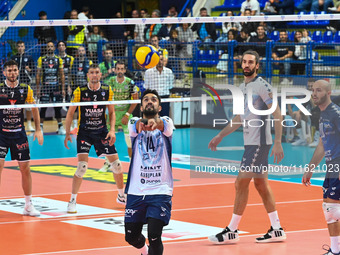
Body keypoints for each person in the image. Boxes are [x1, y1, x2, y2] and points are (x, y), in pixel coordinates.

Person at [208, 50, 286, 244]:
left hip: (259, 142)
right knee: (260, 184)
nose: (247, 65)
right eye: (244, 62)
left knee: (240, 183)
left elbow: (278, 113)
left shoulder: (261, 86)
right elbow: (238, 119)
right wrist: (219, 136)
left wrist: (277, 142)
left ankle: (232, 231)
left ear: (257, 65)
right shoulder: (243, 87)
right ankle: (277, 229)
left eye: (251, 62)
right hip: (252, 142)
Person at [64, 64, 126, 213]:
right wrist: (67, 133)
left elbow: (111, 113)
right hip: (84, 132)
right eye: (91, 72)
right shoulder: (80, 91)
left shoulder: (107, 90)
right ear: (87, 75)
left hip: (101, 132)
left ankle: (121, 196)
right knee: (82, 167)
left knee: (117, 165)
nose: (94, 75)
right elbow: (71, 112)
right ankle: (72, 200)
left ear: (100, 75)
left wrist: (112, 130)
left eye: (97, 72)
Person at [124, 89, 175, 255]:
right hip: (136, 190)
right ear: (141, 106)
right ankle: (145, 252)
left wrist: (156, 124)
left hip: (160, 189)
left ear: (160, 107)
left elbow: (164, 126)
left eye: (154, 99)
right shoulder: (134, 122)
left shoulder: (167, 121)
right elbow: (135, 127)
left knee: (154, 235)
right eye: (146, 100)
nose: (150, 102)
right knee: (131, 237)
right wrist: (143, 123)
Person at [0, 60, 43, 216]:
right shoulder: (0, 89)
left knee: (25, 169)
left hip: (19, 134)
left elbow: (34, 108)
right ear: (4, 72)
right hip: (2, 134)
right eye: (9, 70)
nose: (12, 73)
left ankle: (28, 205)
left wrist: (38, 129)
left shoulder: (25, 89)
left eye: (15, 70)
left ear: (18, 72)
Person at [302, 80, 340, 255]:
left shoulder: (335, 114)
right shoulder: (321, 114)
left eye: (319, 90)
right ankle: (335, 249)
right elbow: (321, 146)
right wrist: (310, 169)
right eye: (313, 90)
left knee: (332, 207)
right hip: (331, 165)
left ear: (328, 93)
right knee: (328, 207)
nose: (314, 93)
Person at [99, 61, 138, 172]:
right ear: (115, 70)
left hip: (126, 114)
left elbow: (135, 100)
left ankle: (132, 164)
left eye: (122, 69)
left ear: (125, 70)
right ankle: (107, 163)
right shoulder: (109, 82)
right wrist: (105, 114)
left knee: (129, 140)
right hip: (113, 114)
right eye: (118, 69)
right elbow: (104, 99)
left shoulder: (130, 83)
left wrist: (127, 114)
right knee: (108, 140)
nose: (120, 71)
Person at [36, 41, 66, 134]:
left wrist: (63, 89)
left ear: (54, 48)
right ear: (46, 48)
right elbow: (38, 74)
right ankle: (40, 128)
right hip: (45, 86)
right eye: (48, 46)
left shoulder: (58, 59)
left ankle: (60, 127)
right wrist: (38, 89)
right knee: (43, 107)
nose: (50, 48)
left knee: (57, 107)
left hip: (56, 86)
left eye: (51, 46)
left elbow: (62, 75)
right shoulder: (41, 59)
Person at [11, 41, 35, 131]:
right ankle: (18, 124)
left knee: (28, 105)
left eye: (22, 46)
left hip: (26, 85)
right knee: (17, 105)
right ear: (17, 48)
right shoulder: (13, 58)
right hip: (15, 85)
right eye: (19, 46)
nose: (20, 48)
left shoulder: (28, 57)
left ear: (24, 47)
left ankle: (29, 124)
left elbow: (34, 70)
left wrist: (29, 70)